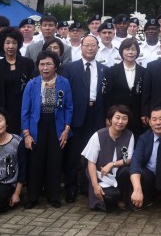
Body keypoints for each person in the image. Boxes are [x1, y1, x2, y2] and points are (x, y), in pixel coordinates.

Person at [21, 50, 73, 209]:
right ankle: (33, 197)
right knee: (35, 162)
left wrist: (66, 128)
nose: (45, 67)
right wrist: (27, 134)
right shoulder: (32, 84)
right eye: (42, 64)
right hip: (37, 125)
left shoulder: (64, 82)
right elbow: (25, 111)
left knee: (55, 161)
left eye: (49, 64)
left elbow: (69, 107)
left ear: (56, 66)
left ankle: (54, 196)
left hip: (57, 126)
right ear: (38, 66)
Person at [61, 34, 106, 202]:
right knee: (73, 154)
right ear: (81, 47)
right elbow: (65, 94)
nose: (90, 48)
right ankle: (70, 187)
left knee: (94, 154)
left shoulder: (103, 69)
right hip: (76, 115)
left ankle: (87, 186)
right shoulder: (70, 68)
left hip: (96, 115)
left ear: (97, 48)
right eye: (86, 45)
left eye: (93, 45)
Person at [82, 105, 135, 212]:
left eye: (124, 118)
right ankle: (113, 197)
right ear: (110, 119)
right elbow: (91, 162)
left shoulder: (129, 135)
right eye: (117, 117)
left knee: (127, 171)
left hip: (118, 174)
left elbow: (128, 159)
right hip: (101, 177)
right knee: (110, 197)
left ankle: (122, 197)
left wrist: (112, 164)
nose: (120, 121)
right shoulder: (98, 135)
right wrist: (95, 185)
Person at [0, 27, 34, 135]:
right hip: (4, 107)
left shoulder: (28, 63)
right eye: (7, 43)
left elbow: (33, 87)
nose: (11, 46)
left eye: (14, 43)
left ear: (18, 44)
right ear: (2, 44)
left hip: (24, 107)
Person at [104, 38, 146, 137]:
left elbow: (146, 95)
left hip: (138, 117)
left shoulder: (144, 72)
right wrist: (108, 116)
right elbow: (107, 96)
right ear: (121, 52)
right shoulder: (112, 71)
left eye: (133, 49)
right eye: (127, 49)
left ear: (137, 52)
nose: (130, 52)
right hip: (118, 118)